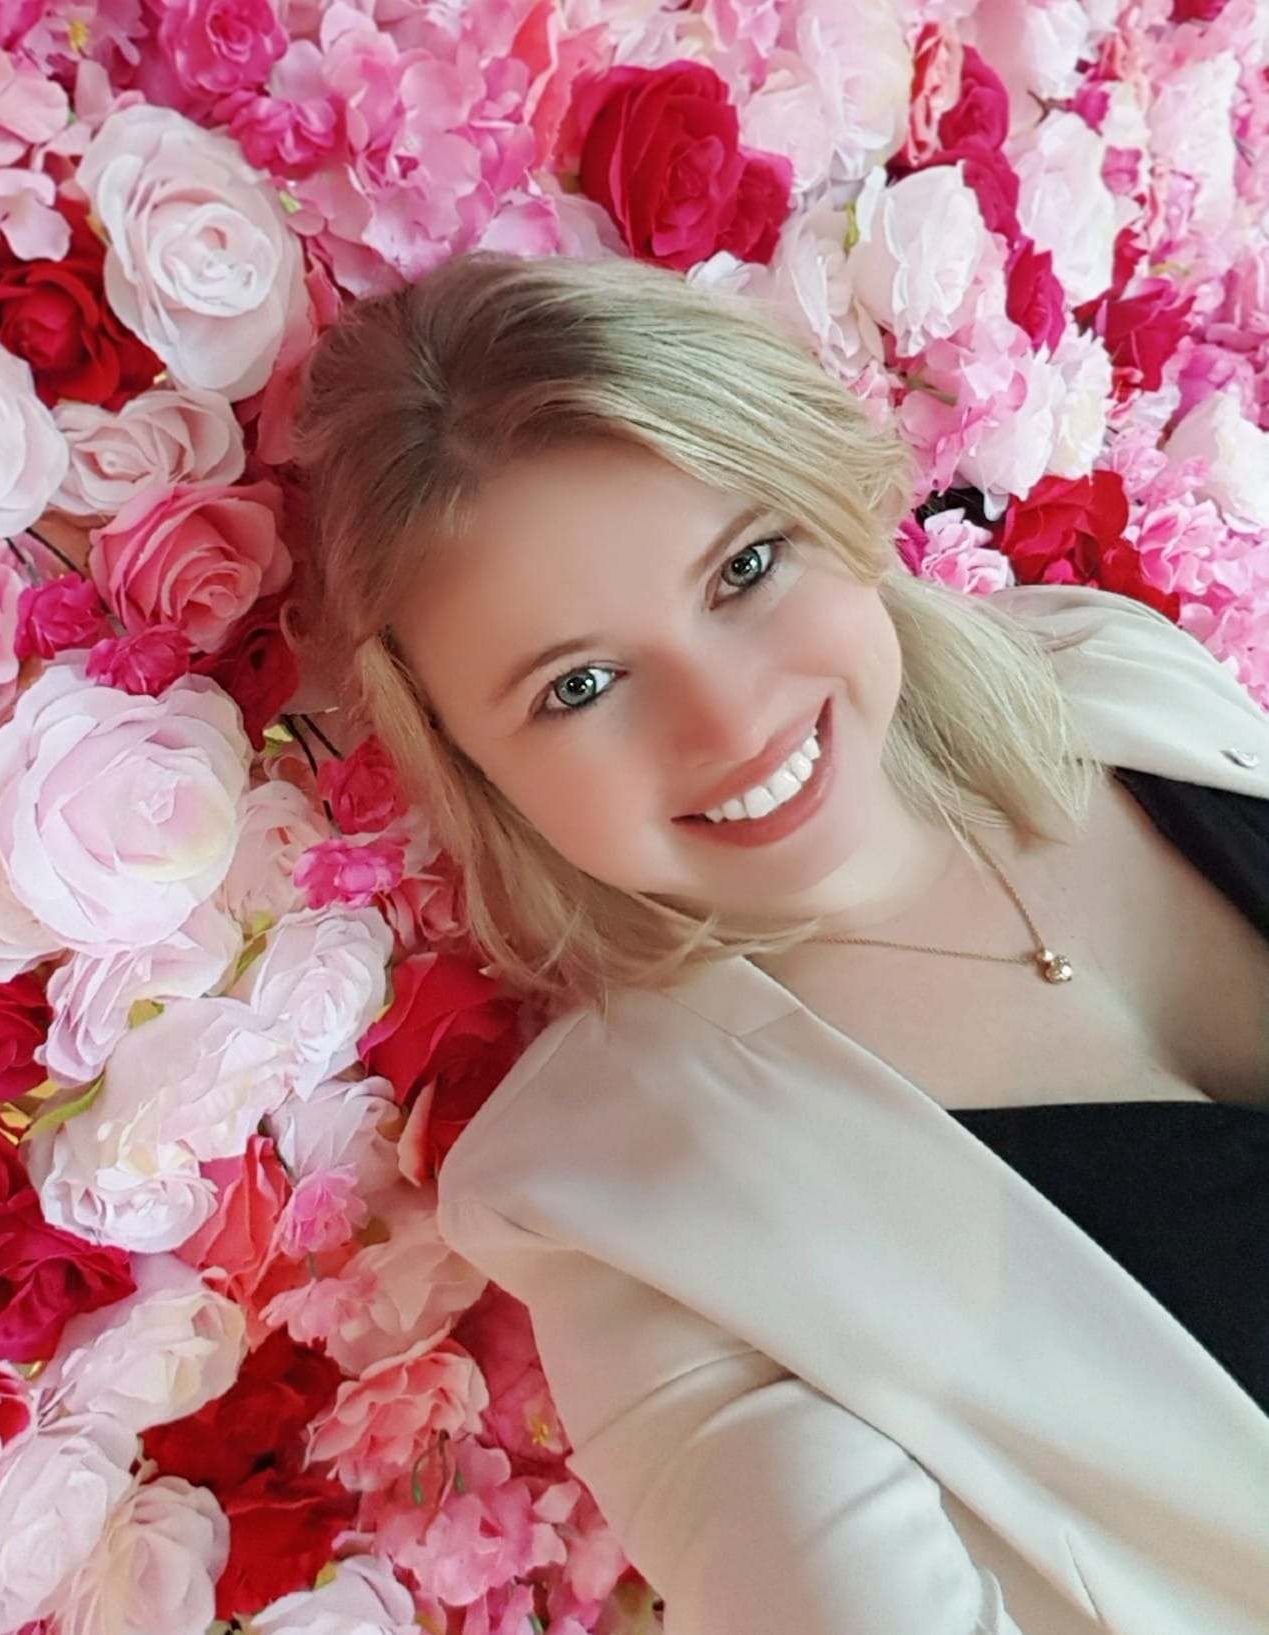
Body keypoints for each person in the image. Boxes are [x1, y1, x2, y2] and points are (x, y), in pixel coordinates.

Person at [288, 251, 1269, 1635]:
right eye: (582, 684)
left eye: (744, 567)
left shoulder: (1105, 668)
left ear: (828, 496)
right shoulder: (625, 1211)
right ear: (466, 762)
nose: (729, 718)